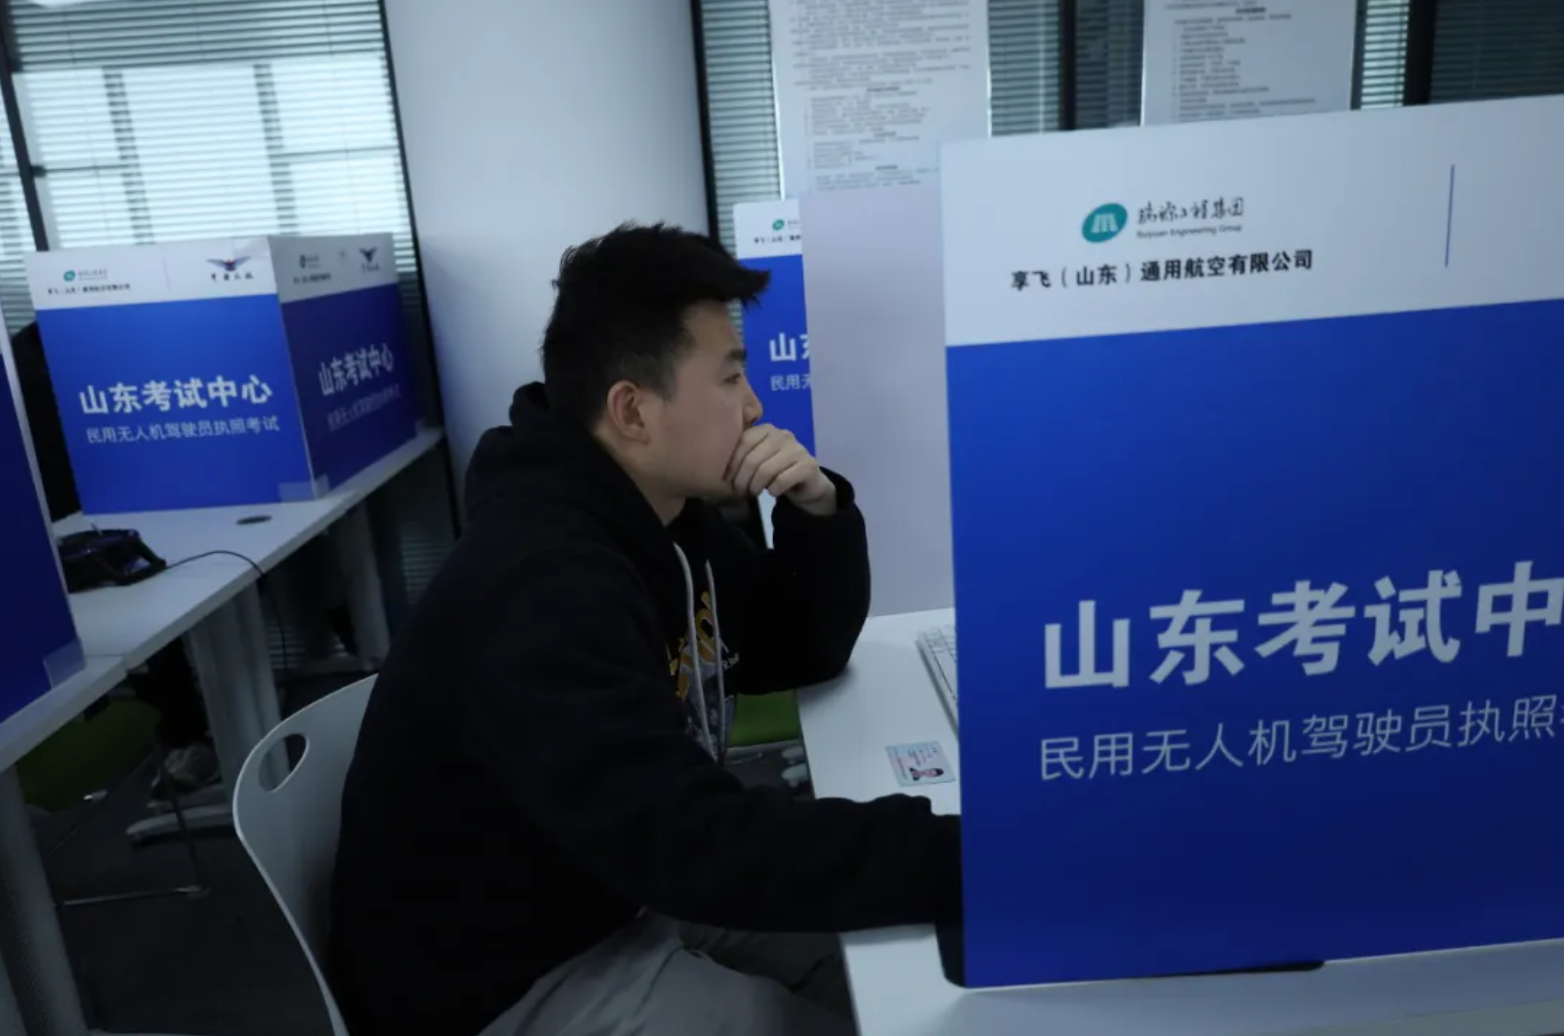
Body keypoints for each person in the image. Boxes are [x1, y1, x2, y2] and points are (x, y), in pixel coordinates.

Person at [329, 223, 961, 1036]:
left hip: (604, 882)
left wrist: (817, 510)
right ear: (632, 410)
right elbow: (693, 845)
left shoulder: (659, 516)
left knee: (893, 966)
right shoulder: (542, 582)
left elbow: (795, 648)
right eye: (729, 377)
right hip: (499, 974)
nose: (755, 405)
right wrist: (963, 849)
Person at [10, 321, 217, 793]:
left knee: (149, 623)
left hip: (129, 519)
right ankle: (171, 743)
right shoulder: (28, 361)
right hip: (64, 534)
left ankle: (187, 738)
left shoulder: (104, 338)